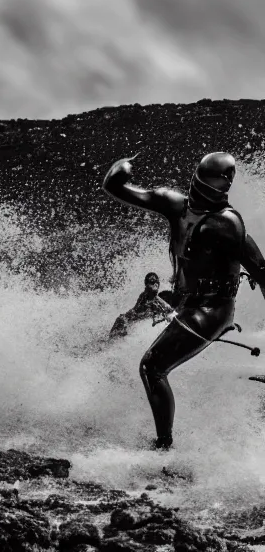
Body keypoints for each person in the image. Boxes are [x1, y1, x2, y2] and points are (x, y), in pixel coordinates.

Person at [103, 151, 265, 450]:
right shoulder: (175, 204)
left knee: (152, 366)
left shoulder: (228, 224)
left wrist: (122, 170)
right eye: (196, 183)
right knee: (125, 322)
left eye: (204, 185)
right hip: (181, 300)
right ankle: (101, 380)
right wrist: (124, 167)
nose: (196, 191)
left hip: (211, 310)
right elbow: (113, 186)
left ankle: (164, 446)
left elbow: (262, 272)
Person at [109, 272, 175, 338]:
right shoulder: (145, 295)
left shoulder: (155, 299)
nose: (155, 284)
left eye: (156, 282)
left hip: (130, 322)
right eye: (152, 282)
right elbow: (141, 309)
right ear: (146, 285)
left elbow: (165, 307)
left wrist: (170, 311)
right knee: (120, 322)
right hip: (125, 321)